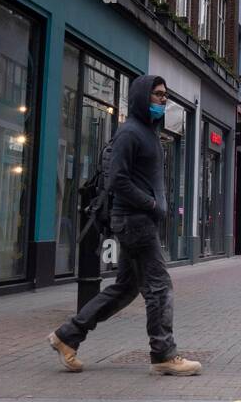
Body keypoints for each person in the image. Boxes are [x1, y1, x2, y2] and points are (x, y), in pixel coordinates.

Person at [49, 75, 201, 375]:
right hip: (135, 221)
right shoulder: (130, 133)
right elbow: (118, 179)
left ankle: (67, 336)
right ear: (142, 97)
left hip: (139, 220)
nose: (162, 100)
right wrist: (151, 204)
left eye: (165, 95)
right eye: (157, 95)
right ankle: (163, 355)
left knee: (124, 289)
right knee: (159, 287)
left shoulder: (147, 132)